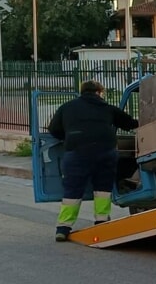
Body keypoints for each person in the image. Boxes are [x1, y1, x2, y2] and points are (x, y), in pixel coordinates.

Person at [47, 80, 138, 241]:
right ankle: (101, 222)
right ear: (98, 92)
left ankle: (63, 228)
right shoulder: (107, 108)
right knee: (103, 189)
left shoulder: (67, 107)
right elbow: (130, 123)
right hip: (105, 152)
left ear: (82, 92)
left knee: (72, 191)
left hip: (76, 152)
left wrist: (68, 137)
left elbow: (53, 129)